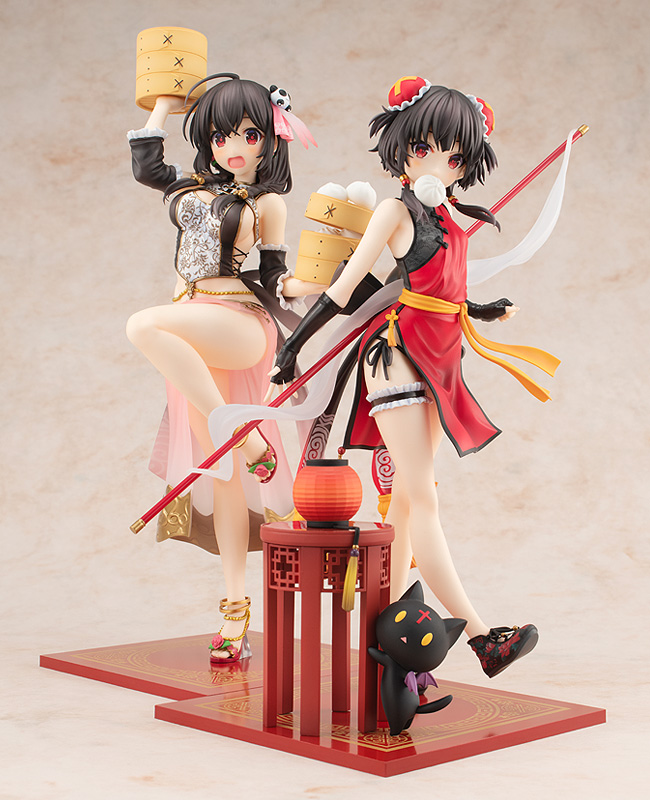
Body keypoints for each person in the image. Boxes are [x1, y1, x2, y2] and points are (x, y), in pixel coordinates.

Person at [270, 77, 562, 677]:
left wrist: (482, 309)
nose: (439, 163)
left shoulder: (450, 214)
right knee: (422, 495)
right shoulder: (395, 210)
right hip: (398, 356)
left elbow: (442, 289)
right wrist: (292, 347)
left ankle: (389, 634)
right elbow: (346, 289)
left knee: (407, 499)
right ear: (403, 146)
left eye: (454, 156)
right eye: (427, 147)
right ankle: (482, 638)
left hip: (441, 358)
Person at [126, 74, 323, 662]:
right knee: (225, 477)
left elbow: (274, 276)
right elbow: (146, 165)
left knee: (143, 326)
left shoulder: (266, 203)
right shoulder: (190, 190)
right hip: (194, 329)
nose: (234, 146)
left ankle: (244, 434)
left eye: (248, 134)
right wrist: (163, 105)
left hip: (238, 323)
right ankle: (235, 610)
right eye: (220, 136)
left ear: (270, 139)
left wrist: (318, 282)